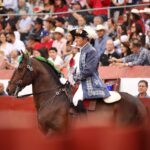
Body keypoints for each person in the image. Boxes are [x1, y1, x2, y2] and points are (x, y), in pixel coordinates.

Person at [71, 29, 110, 112]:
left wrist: (75, 77)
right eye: (75, 38)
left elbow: (89, 70)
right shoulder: (83, 50)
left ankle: (84, 122)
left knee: (76, 100)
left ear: (85, 39)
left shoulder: (91, 51)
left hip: (90, 82)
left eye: (78, 37)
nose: (75, 40)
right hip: (82, 81)